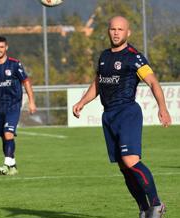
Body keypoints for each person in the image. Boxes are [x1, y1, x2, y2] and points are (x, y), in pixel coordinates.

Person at [72, 16, 170, 218]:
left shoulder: (134, 57)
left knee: (131, 160)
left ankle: (156, 204)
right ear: (108, 31)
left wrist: (163, 108)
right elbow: (98, 83)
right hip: (108, 116)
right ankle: (144, 209)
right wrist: (82, 102)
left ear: (128, 33)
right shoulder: (104, 56)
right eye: (112, 29)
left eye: (120, 29)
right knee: (124, 168)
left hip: (127, 113)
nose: (116, 32)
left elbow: (152, 82)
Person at [0, 36, 36, 175]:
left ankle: (6, 164)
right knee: (4, 137)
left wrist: (31, 101)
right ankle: (12, 166)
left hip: (13, 106)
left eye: (1, 47)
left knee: (8, 134)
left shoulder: (15, 64)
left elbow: (26, 82)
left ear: (6, 47)